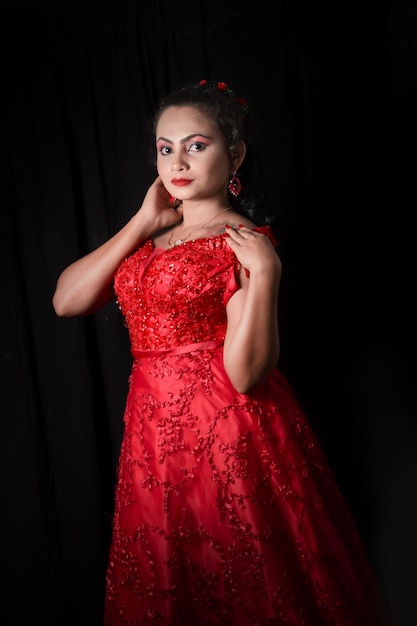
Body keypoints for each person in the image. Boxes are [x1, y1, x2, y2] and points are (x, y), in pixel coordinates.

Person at [53, 80, 388, 626]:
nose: (177, 161)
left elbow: (247, 372)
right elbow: (67, 301)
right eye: (166, 148)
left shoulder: (242, 240)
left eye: (196, 145)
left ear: (234, 153)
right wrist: (142, 220)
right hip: (153, 432)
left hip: (224, 431)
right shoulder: (150, 236)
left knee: (240, 576)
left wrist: (268, 276)